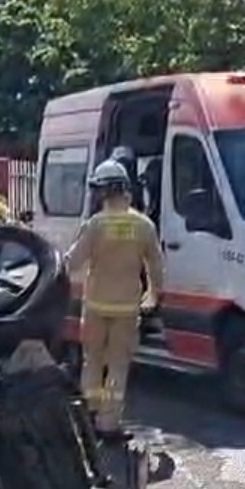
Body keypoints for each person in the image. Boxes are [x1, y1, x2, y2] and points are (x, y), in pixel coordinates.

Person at [65, 160, 165, 439]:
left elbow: (72, 263)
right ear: (125, 189)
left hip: (96, 305)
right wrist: (153, 294)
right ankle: (108, 424)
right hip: (126, 308)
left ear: (102, 191)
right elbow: (156, 265)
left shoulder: (95, 225)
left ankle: (89, 415)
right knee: (118, 366)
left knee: (92, 361)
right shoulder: (143, 225)